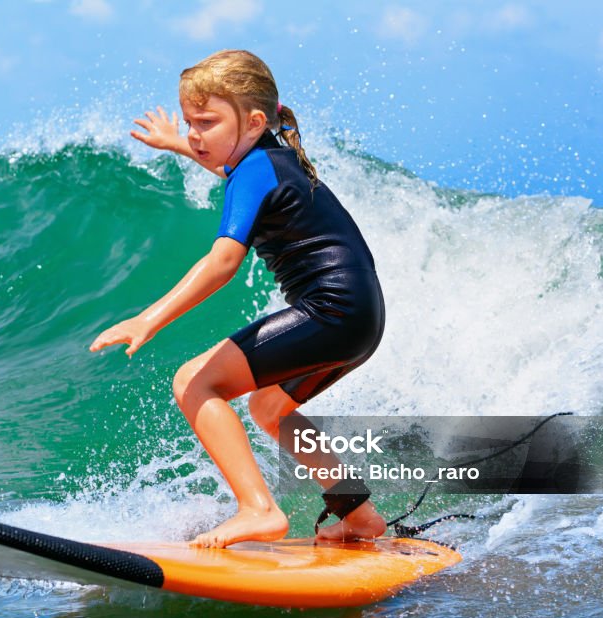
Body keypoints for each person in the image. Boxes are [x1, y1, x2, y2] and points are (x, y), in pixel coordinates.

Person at [90, 50, 386, 548]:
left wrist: (149, 318)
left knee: (193, 382)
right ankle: (360, 515)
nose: (195, 134)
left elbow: (223, 263)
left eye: (206, 122)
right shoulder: (267, 159)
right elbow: (239, 176)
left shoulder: (252, 170)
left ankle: (258, 509)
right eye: (190, 123)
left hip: (332, 310)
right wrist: (180, 146)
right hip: (361, 316)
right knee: (270, 408)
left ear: (251, 121)